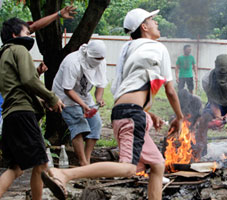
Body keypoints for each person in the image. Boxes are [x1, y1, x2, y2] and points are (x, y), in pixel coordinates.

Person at [42, 8, 183, 200]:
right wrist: (180, 118)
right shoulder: (157, 47)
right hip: (132, 115)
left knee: (157, 164)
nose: (156, 23)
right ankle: (64, 174)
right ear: (144, 26)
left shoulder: (128, 50)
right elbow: (170, 90)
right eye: (152, 20)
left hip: (125, 112)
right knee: (128, 169)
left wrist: (147, 114)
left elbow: (125, 90)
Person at [0, 18, 65, 200]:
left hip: (11, 115)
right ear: (14, 35)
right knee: (41, 164)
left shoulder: (3, 55)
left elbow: (17, 86)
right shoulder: (19, 49)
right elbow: (29, 79)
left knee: (16, 168)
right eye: (27, 32)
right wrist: (51, 97)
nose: (30, 35)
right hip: (22, 115)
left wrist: (38, 101)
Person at [52, 40, 107, 166]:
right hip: (64, 95)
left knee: (96, 124)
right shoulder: (73, 62)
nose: (99, 60)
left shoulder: (101, 62)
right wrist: (83, 105)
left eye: (101, 58)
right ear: (89, 54)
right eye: (97, 58)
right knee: (79, 125)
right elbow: (67, 89)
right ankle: (83, 162)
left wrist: (98, 99)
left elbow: (101, 83)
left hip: (84, 95)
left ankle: (87, 159)